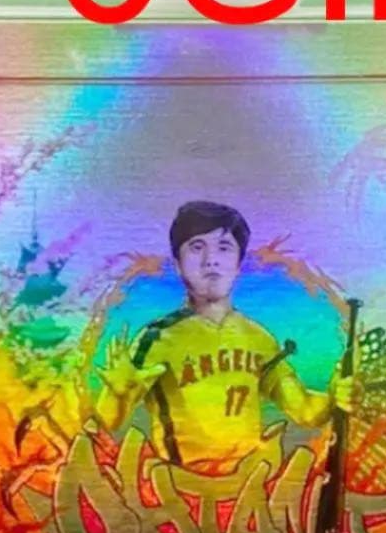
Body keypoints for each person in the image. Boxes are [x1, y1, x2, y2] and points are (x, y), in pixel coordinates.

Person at [93, 200, 353, 474]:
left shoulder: (259, 338)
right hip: (181, 485)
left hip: (249, 486)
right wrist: (116, 393)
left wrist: (336, 396)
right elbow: (107, 421)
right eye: (196, 247)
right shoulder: (157, 338)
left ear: (239, 263)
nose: (211, 260)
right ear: (178, 264)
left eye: (224, 247)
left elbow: (306, 411)